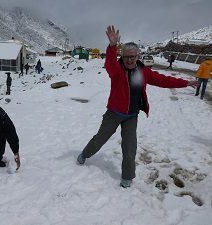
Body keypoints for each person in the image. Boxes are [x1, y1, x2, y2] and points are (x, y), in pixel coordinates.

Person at [76, 25, 198, 188]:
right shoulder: (117, 70)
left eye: (133, 56)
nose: (130, 59)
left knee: (130, 147)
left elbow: (163, 80)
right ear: (123, 56)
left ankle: (127, 177)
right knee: (100, 139)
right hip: (114, 113)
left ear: (138, 56)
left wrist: (186, 82)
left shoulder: (144, 71)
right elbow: (109, 63)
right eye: (126, 56)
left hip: (132, 115)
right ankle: (85, 154)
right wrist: (112, 47)